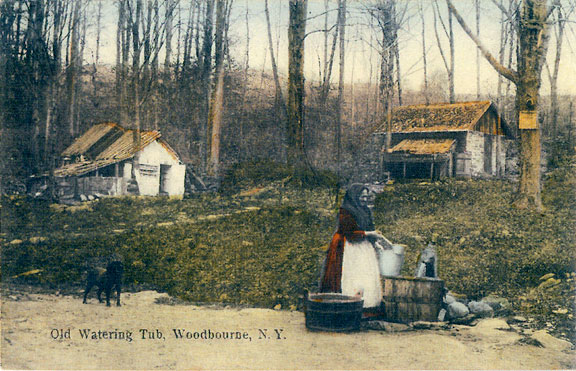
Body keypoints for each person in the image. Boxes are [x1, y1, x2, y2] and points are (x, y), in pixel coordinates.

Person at [319, 184, 390, 310]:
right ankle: (347, 306)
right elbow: (349, 233)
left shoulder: (366, 210)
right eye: (362, 197)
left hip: (363, 246)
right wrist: (369, 234)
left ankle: (367, 307)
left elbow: (369, 228)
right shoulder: (346, 211)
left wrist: (375, 242)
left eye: (366, 197)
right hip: (348, 246)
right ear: (354, 196)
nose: (364, 199)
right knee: (352, 277)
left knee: (366, 275)